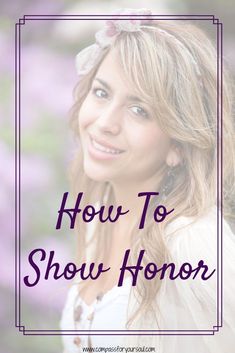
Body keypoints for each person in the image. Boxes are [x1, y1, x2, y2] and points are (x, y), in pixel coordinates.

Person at [60, 8, 235, 353]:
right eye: (102, 92)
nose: (105, 123)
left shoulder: (192, 243)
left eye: (140, 110)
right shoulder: (101, 214)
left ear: (178, 147)